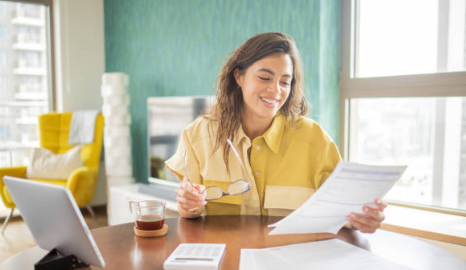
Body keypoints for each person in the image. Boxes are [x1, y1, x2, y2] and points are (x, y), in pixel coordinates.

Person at [165, 32, 386, 233]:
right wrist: (189, 206)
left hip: (292, 265)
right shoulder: (197, 136)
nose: (276, 90)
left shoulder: (315, 140)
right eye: (264, 78)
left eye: (285, 82)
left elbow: (340, 213)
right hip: (224, 265)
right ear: (239, 77)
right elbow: (190, 213)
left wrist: (360, 219)